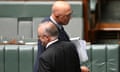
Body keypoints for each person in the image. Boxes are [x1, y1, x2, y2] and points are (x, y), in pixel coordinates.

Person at [34, 1, 89, 72]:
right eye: (67, 15)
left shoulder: (57, 25)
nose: (70, 18)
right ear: (57, 16)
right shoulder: (46, 28)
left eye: (70, 14)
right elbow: (45, 57)